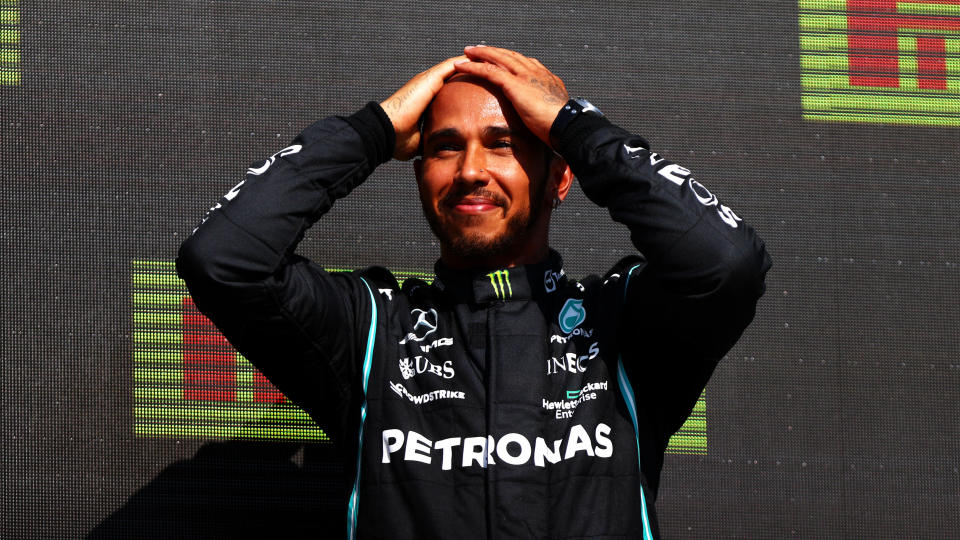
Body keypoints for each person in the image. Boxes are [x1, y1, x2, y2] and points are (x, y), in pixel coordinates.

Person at [177, 46, 771, 539]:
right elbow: (223, 259)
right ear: (417, 170)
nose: (469, 170)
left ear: (561, 175)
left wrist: (574, 127)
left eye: (504, 142)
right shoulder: (372, 331)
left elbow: (726, 261)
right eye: (444, 146)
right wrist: (373, 130)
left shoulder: (621, 324)